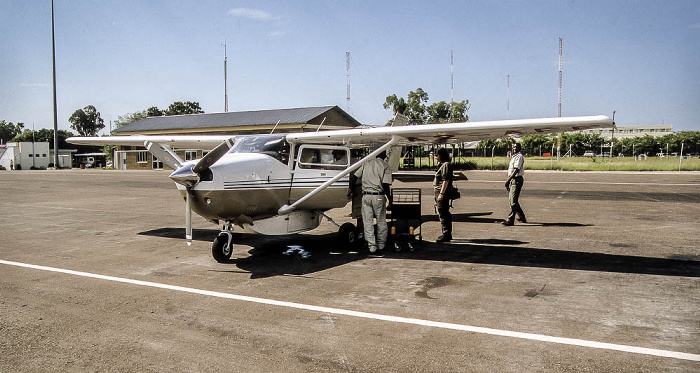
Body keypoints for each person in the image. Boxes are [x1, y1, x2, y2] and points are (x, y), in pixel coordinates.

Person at [354, 151, 392, 253]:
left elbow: (355, 176)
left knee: (367, 221)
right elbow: (385, 185)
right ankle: (381, 244)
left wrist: (351, 189)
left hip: (366, 195)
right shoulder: (385, 166)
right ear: (384, 156)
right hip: (378, 195)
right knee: (381, 220)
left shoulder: (366, 163)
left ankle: (372, 245)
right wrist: (390, 199)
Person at [502, 142, 526, 226]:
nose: (515, 148)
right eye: (514, 147)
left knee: (513, 201)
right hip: (513, 180)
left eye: (516, 147)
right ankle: (522, 216)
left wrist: (508, 181)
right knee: (512, 200)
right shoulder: (514, 157)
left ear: (520, 148)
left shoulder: (519, 157)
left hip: (516, 180)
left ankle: (510, 220)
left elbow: (516, 170)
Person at [434, 148, 454, 242]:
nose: (436, 157)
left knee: (443, 212)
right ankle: (446, 233)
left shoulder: (446, 165)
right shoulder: (443, 165)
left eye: (437, 155)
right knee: (442, 212)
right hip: (440, 191)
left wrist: (441, 193)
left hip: (442, 192)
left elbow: (446, 180)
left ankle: (446, 233)